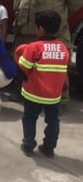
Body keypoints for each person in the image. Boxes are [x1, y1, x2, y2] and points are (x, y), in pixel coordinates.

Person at [12, 0, 83, 100]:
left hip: (53, 35)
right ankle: (25, 95)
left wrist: (58, 17)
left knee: (55, 70)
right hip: (26, 31)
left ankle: (60, 101)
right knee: (25, 66)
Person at [15, 10, 69, 157]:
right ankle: (49, 146)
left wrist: (21, 52)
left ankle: (28, 144)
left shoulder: (34, 47)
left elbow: (24, 66)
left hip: (33, 94)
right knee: (53, 121)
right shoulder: (63, 48)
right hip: (54, 96)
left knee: (29, 118)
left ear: (40, 29)